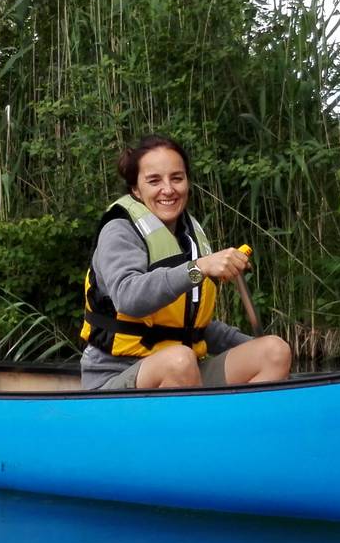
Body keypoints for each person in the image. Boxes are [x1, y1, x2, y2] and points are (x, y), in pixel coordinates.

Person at [81, 135, 292, 391]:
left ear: (187, 183)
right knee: (179, 360)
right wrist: (199, 267)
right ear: (136, 189)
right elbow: (129, 298)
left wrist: (254, 345)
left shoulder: (189, 235)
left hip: (186, 369)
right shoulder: (119, 231)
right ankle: (196, 427)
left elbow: (193, 326)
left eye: (177, 178)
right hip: (118, 376)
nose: (168, 189)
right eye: (154, 181)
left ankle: (236, 428)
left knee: (274, 350)